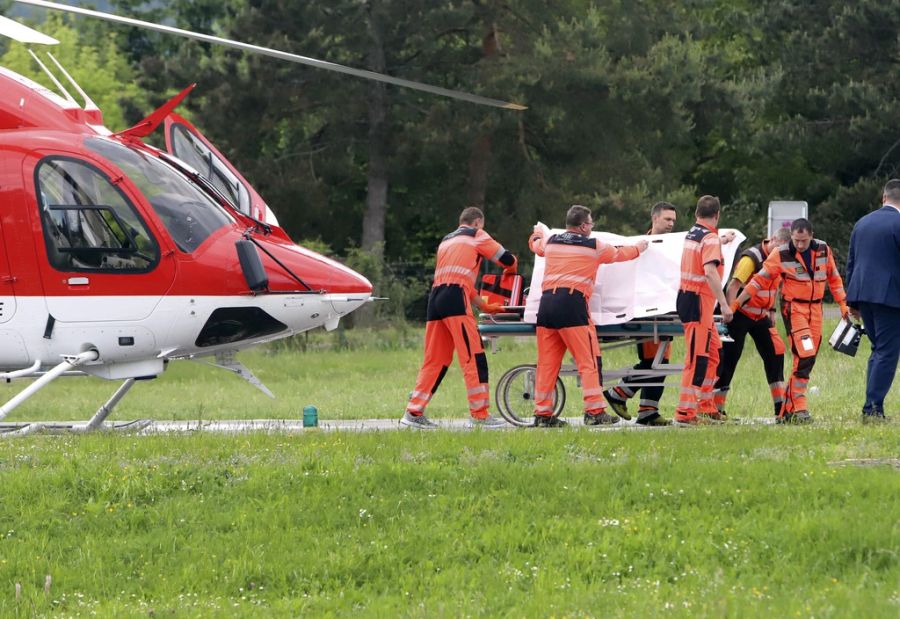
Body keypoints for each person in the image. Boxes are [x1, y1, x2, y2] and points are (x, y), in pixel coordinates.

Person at [529, 205, 649, 427]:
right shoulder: (593, 245)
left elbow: (536, 245)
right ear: (584, 226)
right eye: (591, 224)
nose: (592, 228)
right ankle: (594, 412)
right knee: (589, 361)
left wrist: (537, 233)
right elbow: (620, 253)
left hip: (546, 307)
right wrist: (639, 248)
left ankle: (542, 415)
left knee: (547, 364)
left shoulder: (552, 241)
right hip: (572, 306)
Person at [401, 206, 517, 429]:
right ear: (477, 223)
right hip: (455, 299)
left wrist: (483, 305)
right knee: (473, 357)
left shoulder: (446, 241)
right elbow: (507, 259)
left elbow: (457, 279)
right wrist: (511, 271)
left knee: (435, 360)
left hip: (435, 300)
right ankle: (480, 415)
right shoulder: (477, 235)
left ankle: (413, 413)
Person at [733, 218, 848, 424]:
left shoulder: (823, 250)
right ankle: (798, 406)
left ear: (811, 235)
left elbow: (834, 278)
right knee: (805, 353)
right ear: (792, 237)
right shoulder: (781, 254)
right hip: (794, 309)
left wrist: (843, 305)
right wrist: (736, 303)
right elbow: (758, 280)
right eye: (796, 240)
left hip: (816, 309)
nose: (800, 244)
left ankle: (788, 409)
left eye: (804, 241)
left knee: (809, 357)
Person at [603, 201, 677, 426]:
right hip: (647, 314)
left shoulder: (672, 247)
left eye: (673, 220)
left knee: (660, 360)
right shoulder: (641, 247)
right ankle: (619, 393)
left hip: (665, 312)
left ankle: (648, 410)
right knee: (654, 361)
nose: (671, 224)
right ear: (654, 219)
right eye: (667, 219)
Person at [713, 227, 791, 418]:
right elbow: (733, 286)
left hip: (760, 316)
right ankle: (715, 408)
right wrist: (729, 312)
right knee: (729, 359)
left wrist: (771, 310)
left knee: (775, 354)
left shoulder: (781, 257)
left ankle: (780, 408)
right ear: (772, 240)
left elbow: (774, 286)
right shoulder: (752, 258)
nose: (780, 253)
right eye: (779, 248)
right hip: (739, 314)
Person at [674, 196, 734, 425]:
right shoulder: (709, 239)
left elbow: (707, 242)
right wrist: (725, 304)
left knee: (712, 352)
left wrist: (723, 239)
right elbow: (710, 272)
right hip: (699, 302)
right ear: (717, 215)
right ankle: (685, 414)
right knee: (696, 358)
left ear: (696, 214)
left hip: (693, 301)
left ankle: (706, 407)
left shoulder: (694, 233)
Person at [846, 179, 900, 422]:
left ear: (883, 197)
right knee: (887, 352)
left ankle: (872, 405)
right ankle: (873, 409)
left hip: (863, 293)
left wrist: (852, 301)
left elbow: (852, 262)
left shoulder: (862, 223)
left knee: (878, 349)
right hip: (889, 296)